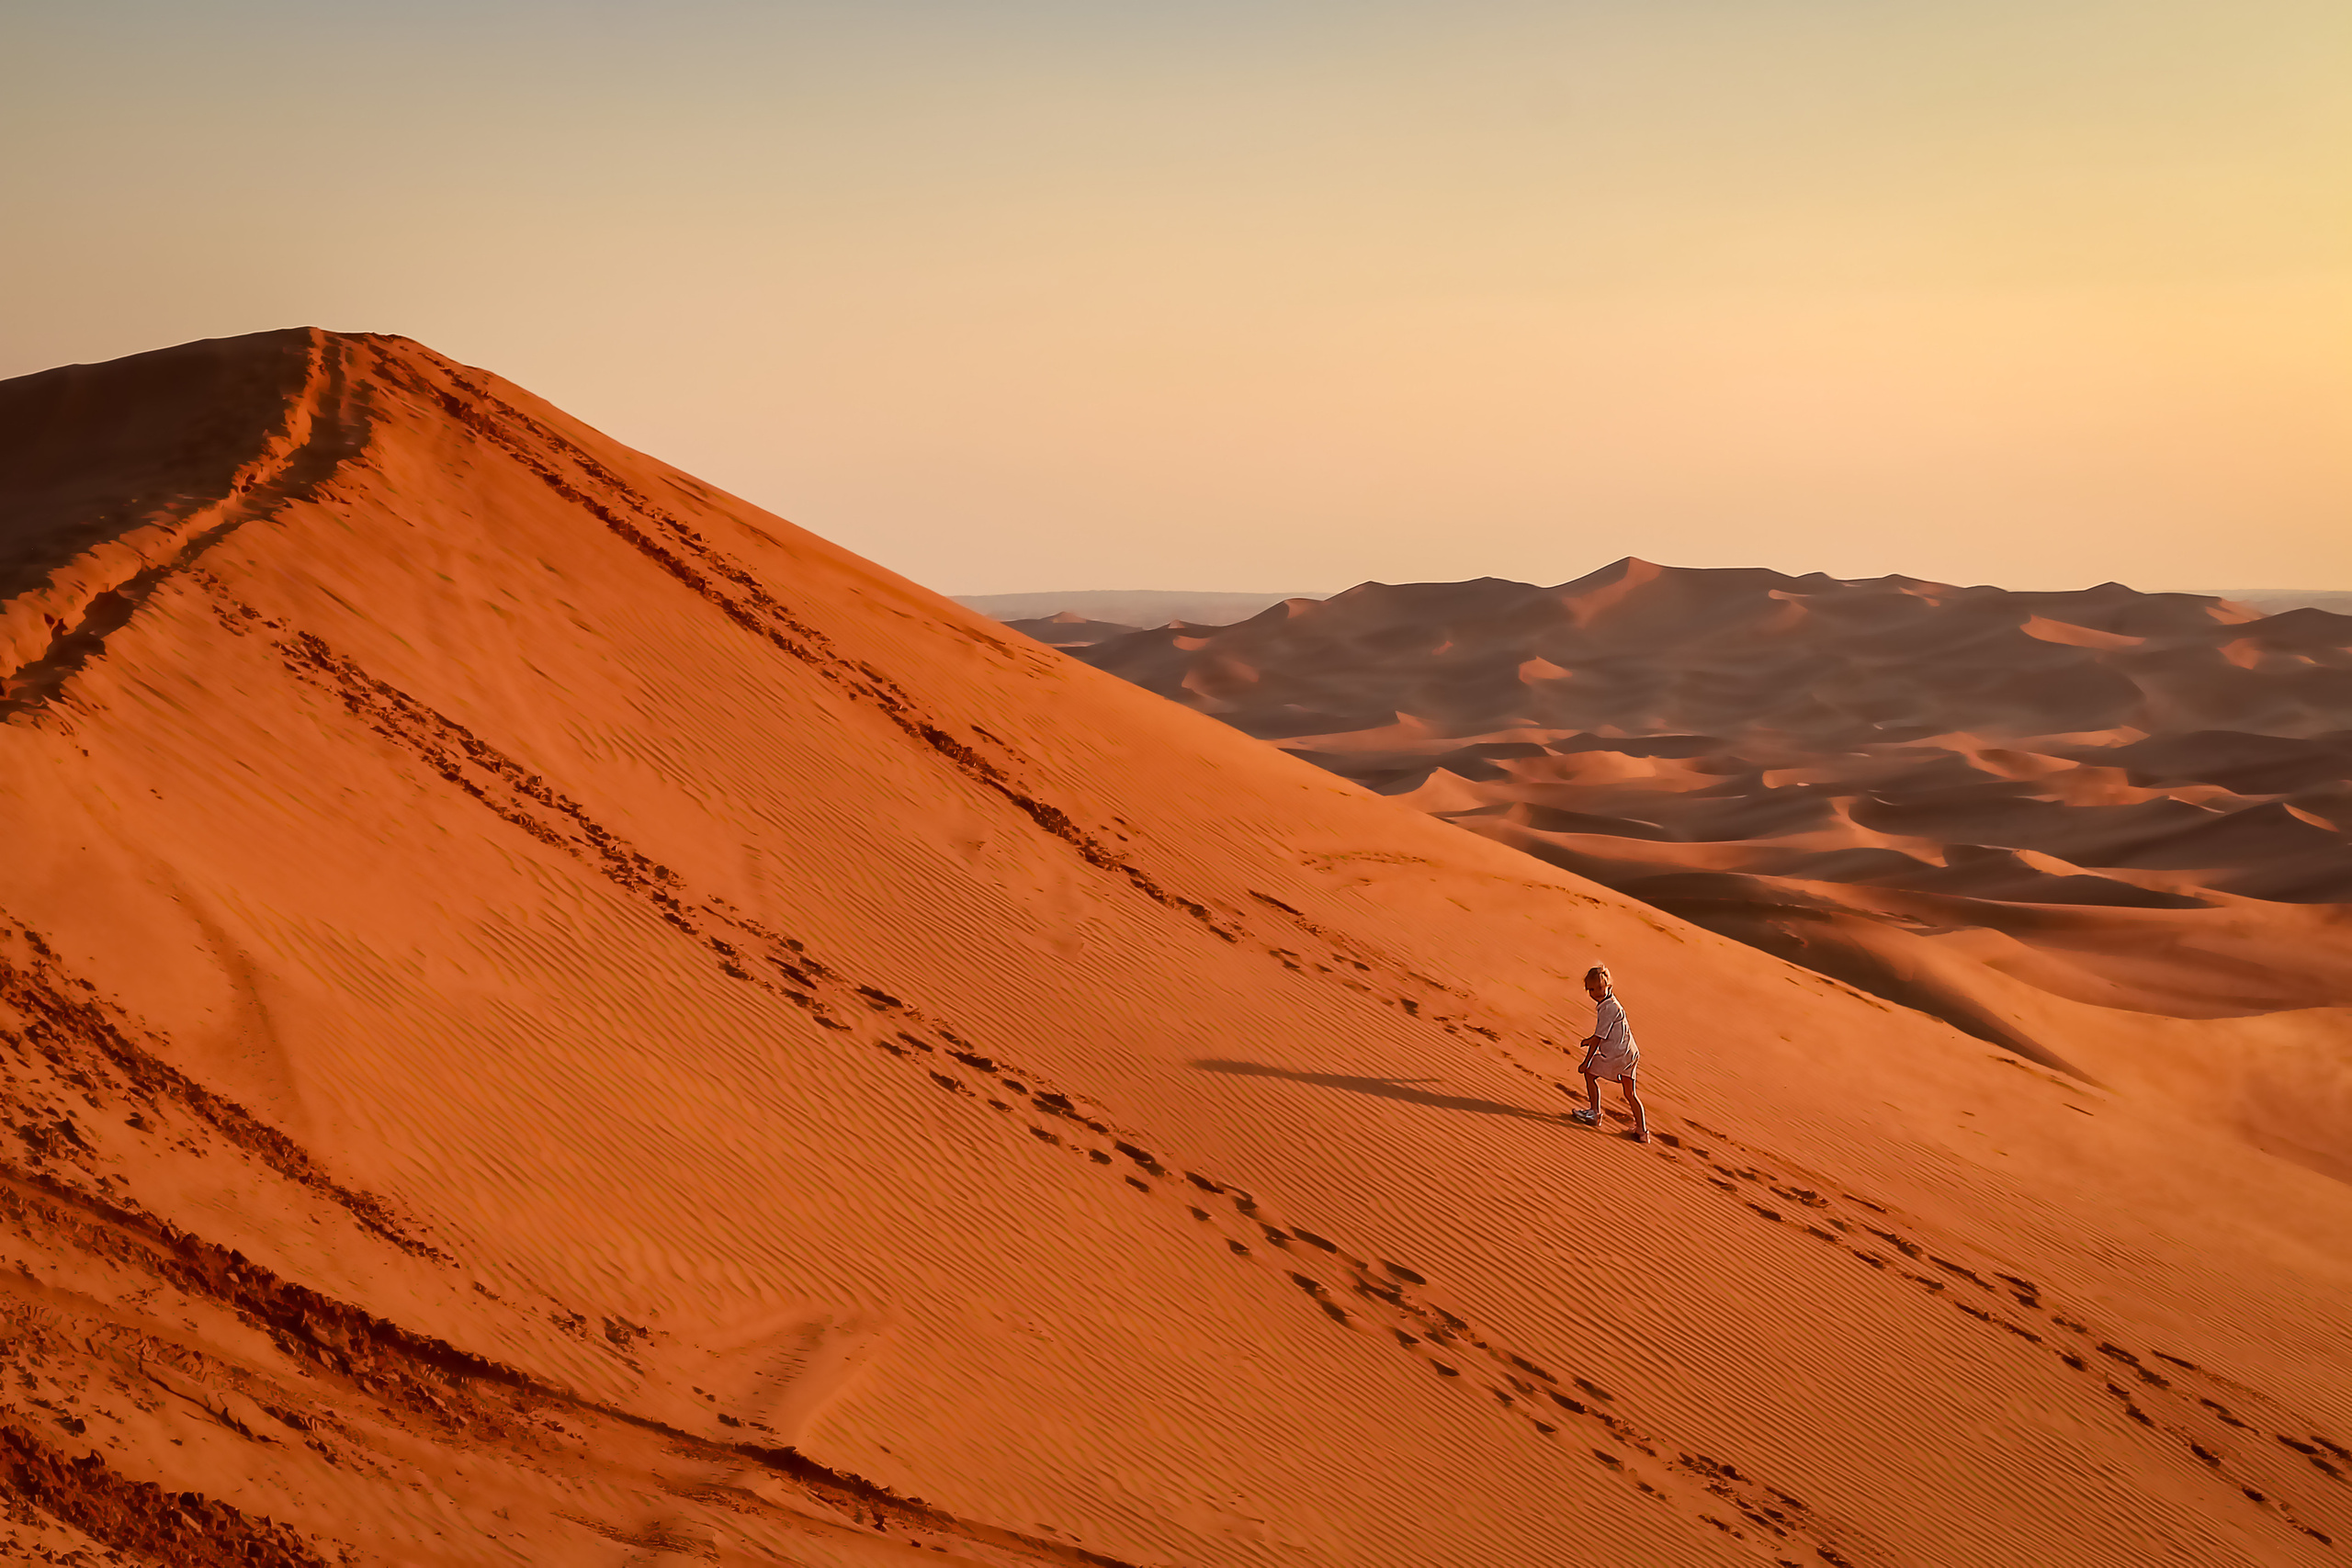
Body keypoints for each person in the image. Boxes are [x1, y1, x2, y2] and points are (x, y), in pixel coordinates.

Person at [1567, 964, 1647, 1143]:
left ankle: (1594, 1114)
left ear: (1608, 986)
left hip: (1617, 1054)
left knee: (1589, 1074)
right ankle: (1642, 1132)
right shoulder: (1612, 1003)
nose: (1596, 993)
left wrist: (1586, 1062)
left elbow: (1599, 1038)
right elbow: (1604, 1033)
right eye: (1591, 990)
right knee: (1630, 1093)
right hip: (1629, 1053)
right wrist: (1590, 1039)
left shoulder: (1607, 1008)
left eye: (1599, 988)